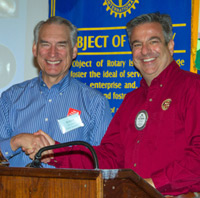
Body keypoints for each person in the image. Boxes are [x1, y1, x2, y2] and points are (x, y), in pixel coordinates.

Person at [27, 12, 200, 196]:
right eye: (137, 44)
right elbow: (109, 158)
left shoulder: (193, 87)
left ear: (170, 46)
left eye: (153, 41)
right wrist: (55, 151)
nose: (145, 50)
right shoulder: (131, 101)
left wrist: (149, 184)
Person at [0, 16, 112, 168]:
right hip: (16, 191)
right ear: (35, 49)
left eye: (61, 45)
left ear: (73, 51)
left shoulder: (95, 103)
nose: (53, 53)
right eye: (45, 44)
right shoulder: (10, 98)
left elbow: (104, 165)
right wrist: (16, 141)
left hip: (71, 192)